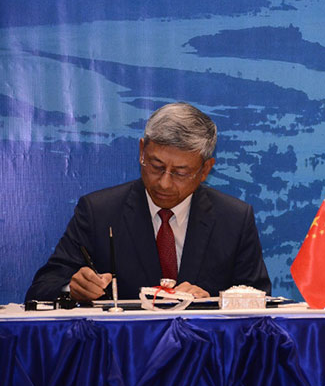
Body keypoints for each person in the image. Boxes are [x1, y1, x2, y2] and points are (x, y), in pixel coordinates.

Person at [25, 102, 271, 302]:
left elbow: (261, 299)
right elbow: (42, 288)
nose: (164, 183)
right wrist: (72, 287)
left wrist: (215, 300)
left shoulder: (234, 218)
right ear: (142, 151)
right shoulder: (99, 211)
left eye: (181, 172)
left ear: (205, 170)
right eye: (156, 166)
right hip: (122, 354)